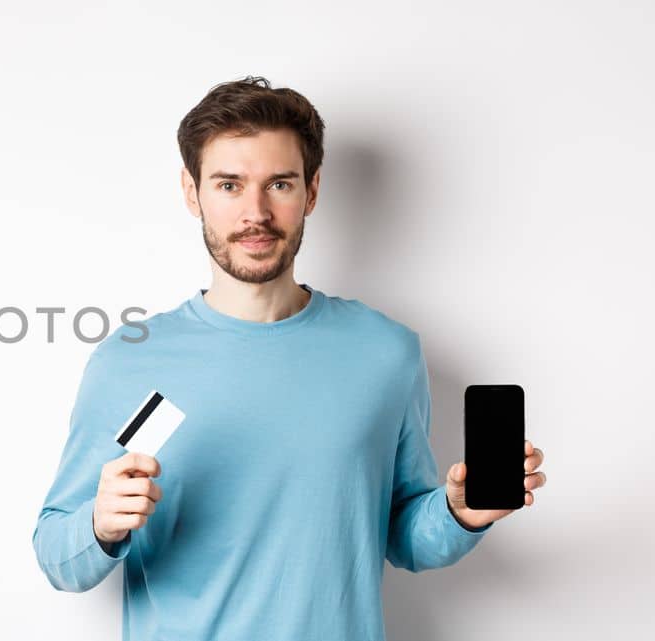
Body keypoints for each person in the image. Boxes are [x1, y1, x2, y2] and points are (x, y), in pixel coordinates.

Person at [31, 76, 549, 640]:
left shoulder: (385, 353)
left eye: (278, 183)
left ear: (313, 190)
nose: (255, 212)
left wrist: (458, 513)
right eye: (229, 185)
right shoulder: (129, 360)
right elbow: (59, 556)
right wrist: (100, 525)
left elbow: (404, 538)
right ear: (191, 191)